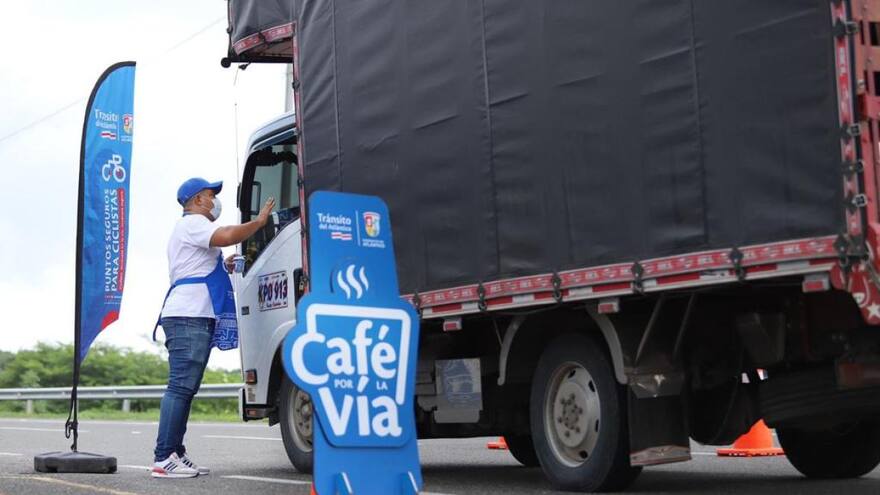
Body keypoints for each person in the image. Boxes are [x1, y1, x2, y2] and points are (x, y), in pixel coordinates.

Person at [151, 177, 275, 478]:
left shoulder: (194, 229)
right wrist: (258, 223)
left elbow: (202, 262)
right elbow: (228, 234)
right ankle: (163, 457)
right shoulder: (193, 223)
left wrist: (225, 264)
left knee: (186, 388)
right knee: (180, 387)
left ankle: (175, 453)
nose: (213, 201)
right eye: (209, 195)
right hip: (187, 315)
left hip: (195, 314)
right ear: (195, 201)